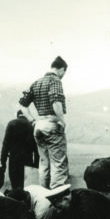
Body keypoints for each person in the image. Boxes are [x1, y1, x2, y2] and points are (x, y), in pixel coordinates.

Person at [18, 56, 69, 189]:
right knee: (58, 164)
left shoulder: (36, 83)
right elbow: (56, 103)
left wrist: (32, 120)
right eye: (64, 72)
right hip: (52, 124)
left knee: (44, 163)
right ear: (62, 69)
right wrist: (63, 122)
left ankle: (44, 195)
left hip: (39, 126)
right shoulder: (55, 81)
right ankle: (57, 197)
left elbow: (23, 105)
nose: (64, 75)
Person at [0, 110, 38, 191]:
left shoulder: (11, 123)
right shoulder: (31, 126)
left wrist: (3, 162)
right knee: (26, 188)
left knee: (15, 186)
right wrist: (35, 165)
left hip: (14, 161)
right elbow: (36, 149)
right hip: (28, 161)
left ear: (17, 116)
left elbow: (5, 144)